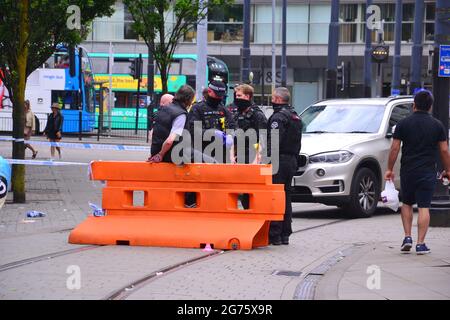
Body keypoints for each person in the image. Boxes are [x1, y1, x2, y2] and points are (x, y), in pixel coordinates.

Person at [384, 89, 450, 255]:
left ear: (414, 105)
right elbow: (444, 151)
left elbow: (394, 148)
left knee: (406, 203)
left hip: (408, 171)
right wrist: (448, 170)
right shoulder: (437, 125)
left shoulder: (403, 124)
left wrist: (390, 169)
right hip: (427, 171)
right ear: (430, 107)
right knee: (424, 207)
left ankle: (407, 237)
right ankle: (421, 244)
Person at [267, 87, 302, 246]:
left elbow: (274, 142)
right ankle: (285, 234)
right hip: (292, 160)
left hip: (279, 161)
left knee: (275, 197)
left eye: (273, 98)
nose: (271, 100)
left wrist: (266, 160)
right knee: (286, 197)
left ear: (279, 100)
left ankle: (275, 234)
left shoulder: (278, 118)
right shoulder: (296, 116)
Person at [188, 80, 236, 164]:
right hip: (202, 153)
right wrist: (213, 133)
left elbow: (232, 126)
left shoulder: (224, 109)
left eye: (221, 96)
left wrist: (230, 136)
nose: (219, 98)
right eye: (217, 95)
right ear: (209, 91)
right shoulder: (197, 108)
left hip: (222, 155)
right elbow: (194, 130)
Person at [148, 85, 195, 163]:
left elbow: (152, 134)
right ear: (188, 100)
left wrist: (154, 153)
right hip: (173, 155)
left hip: (155, 151)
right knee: (209, 160)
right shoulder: (181, 114)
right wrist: (160, 155)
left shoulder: (163, 109)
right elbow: (170, 141)